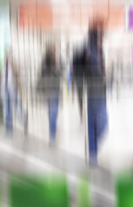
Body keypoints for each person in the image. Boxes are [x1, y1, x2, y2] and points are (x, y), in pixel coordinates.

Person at [71, 16, 108, 165]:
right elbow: (78, 65)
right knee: (101, 123)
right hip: (93, 89)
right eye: (100, 29)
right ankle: (92, 154)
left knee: (97, 123)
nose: (103, 32)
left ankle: (92, 154)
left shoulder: (97, 47)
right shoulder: (88, 46)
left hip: (98, 89)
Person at [37, 44, 62, 145]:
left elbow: (41, 73)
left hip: (48, 89)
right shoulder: (55, 61)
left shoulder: (44, 61)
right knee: (54, 111)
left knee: (50, 110)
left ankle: (53, 128)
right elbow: (59, 73)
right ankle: (52, 134)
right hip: (54, 89)